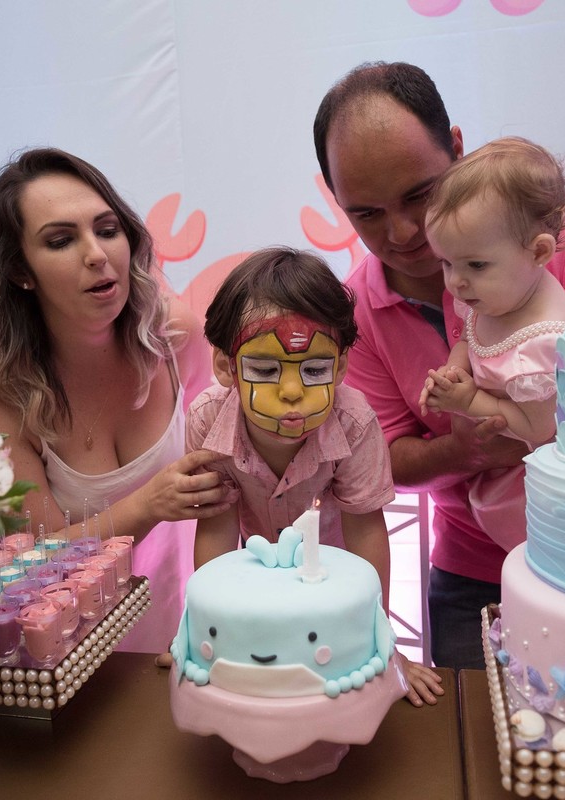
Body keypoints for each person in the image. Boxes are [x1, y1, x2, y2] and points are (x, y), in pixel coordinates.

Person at [313, 61, 565, 670]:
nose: (405, 230)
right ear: (335, 199)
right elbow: (385, 460)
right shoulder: (353, 312)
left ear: (457, 149)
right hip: (473, 574)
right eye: (367, 213)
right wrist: (473, 445)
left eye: (419, 194)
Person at [0, 147, 231, 655]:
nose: (96, 254)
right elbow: (36, 563)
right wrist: (149, 504)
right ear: (21, 270)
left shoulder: (177, 336)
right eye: (61, 240)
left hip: (187, 632)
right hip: (64, 652)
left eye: (107, 230)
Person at [186, 246, 445, 706]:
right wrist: (207, 636)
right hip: (256, 575)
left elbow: (366, 532)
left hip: (336, 584)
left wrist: (379, 643)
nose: (291, 393)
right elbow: (217, 528)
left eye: (315, 369)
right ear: (226, 367)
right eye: (264, 369)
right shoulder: (207, 421)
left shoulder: (355, 424)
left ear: (341, 367)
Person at [418, 137, 565, 551]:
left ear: (539, 251)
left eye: (475, 265)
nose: (455, 281)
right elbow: (473, 336)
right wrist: (455, 368)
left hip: (555, 489)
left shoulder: (541, 346)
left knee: (553, 570)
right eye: (446, 263)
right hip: (513, 468)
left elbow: (537, 427)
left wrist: (468, 403)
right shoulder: (499, 291)